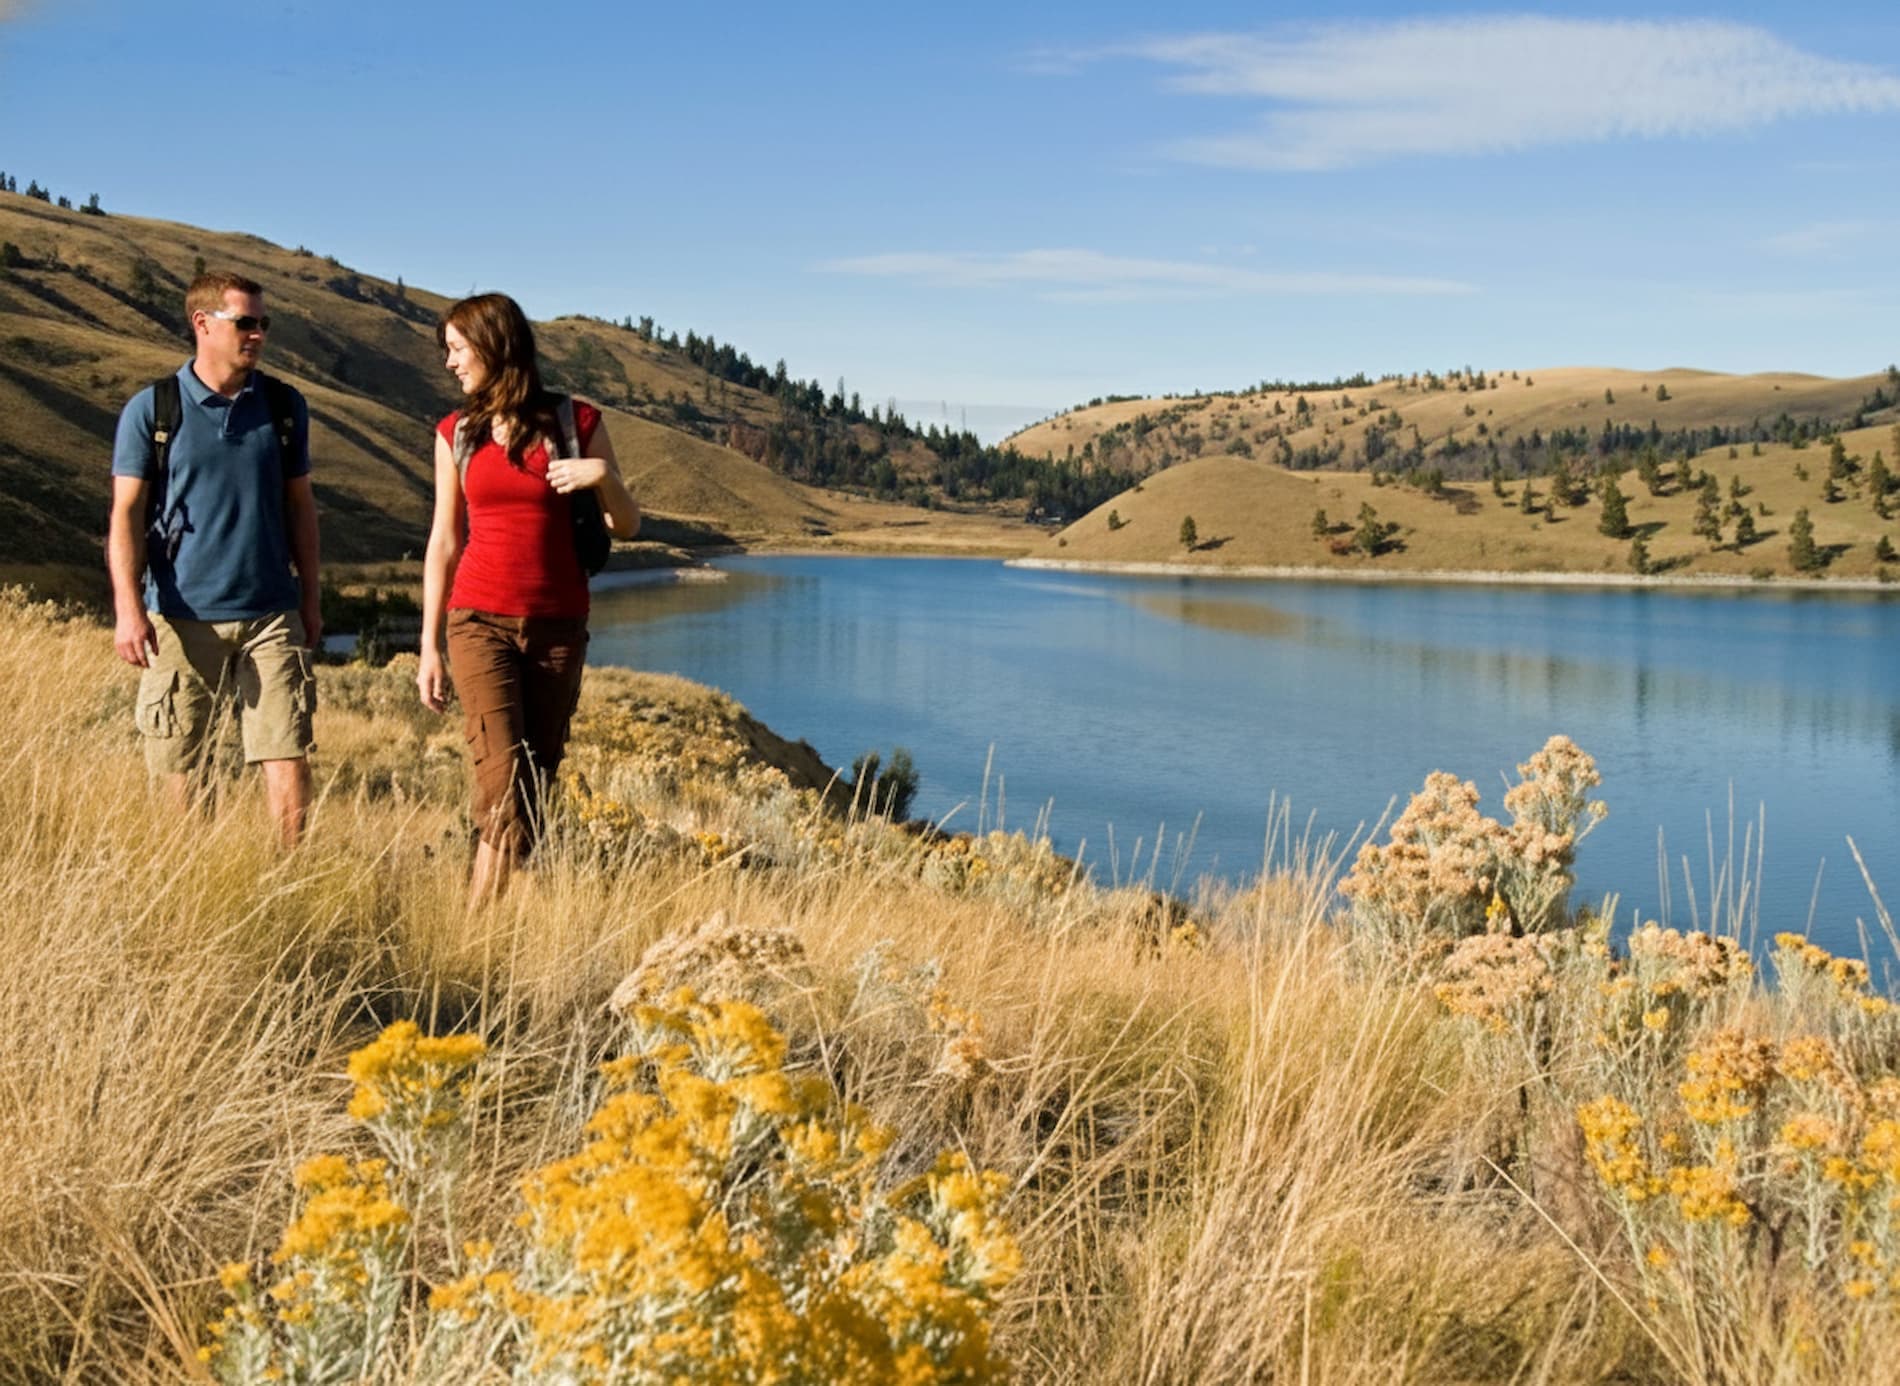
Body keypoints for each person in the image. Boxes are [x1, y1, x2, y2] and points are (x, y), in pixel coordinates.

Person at [417, 293, 639, 903]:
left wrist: (603, 478)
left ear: (495, 345)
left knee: (536, 780)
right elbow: (443, 541)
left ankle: (493, 929)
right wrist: (428, 647)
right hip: (477, 622)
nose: (450, 363)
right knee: (503, 778)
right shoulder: (456, 433)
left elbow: (627, 525)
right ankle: (477, 924)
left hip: (558, 626)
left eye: (457, 349)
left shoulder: (576, 423)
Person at [108, 269, 322, 846]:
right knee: (183, 759)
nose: (258, 334)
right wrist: (129, 609)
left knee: (286, 749)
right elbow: (126, 514)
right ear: (202, 323)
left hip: (271, 613)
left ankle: (288, 875)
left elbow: (301, 508)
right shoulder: (153, 411)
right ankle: (192, 872)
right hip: (180, 617)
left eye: (263, 323)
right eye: (245, 322)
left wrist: (310, 600)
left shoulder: (283, 406)